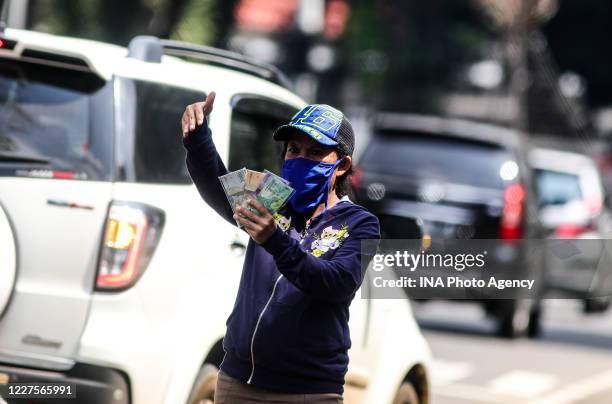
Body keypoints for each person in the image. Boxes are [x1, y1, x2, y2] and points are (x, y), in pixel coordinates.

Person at [181, 92, 380, 404]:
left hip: (308, 391)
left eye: (315, 152)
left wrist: (275, 241)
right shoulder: (271, 196)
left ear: (341, 166)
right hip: (237, 382)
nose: (300, 159)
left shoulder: (359, 222)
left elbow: (335, 283)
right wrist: (197, 137)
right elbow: (217, 186)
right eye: (293, 149)